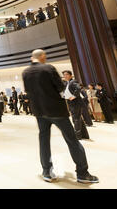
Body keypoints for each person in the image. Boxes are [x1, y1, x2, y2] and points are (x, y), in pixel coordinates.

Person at [22, 49, 98, 184]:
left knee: (44, 140)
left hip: (39, 112)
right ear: (42, 56)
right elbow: (60, 87)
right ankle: (82, 173)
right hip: (56, 110)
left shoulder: (25, 72)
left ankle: (47, 171)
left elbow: (28, 92)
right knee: (72, 140)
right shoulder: (48, 68)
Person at [62, 71, 90, 140]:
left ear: (71, 75)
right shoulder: (67, 83)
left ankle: (77, 136)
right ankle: (84, 135)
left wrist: (74, 96)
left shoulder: (73, 81)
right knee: (78, 118)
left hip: (76, 102)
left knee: (76, 119)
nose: (65, 76)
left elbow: (78, 88)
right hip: (71, 102)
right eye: (64, 75)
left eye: (66, 74)